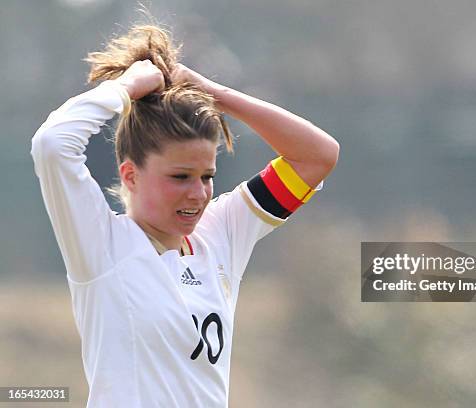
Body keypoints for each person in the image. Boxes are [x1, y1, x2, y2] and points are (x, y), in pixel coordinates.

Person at [31, 24, 339, 408]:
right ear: (131, 174)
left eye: (207, 176)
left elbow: (317, 156)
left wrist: (214, 93)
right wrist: (126, 88)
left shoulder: (222, 234)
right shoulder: (100, 246)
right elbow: (52, 144)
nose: (198, 193)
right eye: (180, 177)